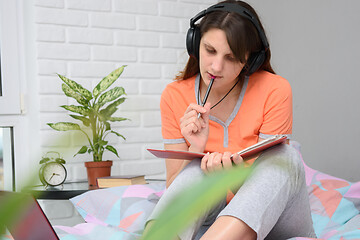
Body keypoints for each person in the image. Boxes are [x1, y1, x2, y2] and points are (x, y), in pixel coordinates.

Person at [145, 1, 316, 239]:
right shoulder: (175, 95)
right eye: (210, 50)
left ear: (250, 60)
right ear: (195, 43)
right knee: (196, 168)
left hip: (273, 220)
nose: (216, 66)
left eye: (231, 57)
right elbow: (175, 187)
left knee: (285, 157)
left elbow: (270, 188)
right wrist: (196, 149)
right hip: (210, 219)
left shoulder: (274, 90)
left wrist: (235, 179)